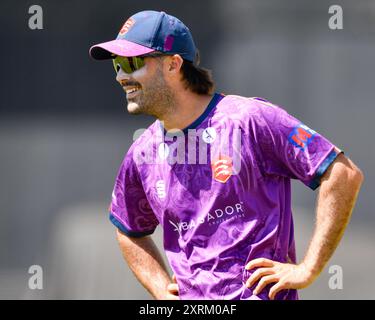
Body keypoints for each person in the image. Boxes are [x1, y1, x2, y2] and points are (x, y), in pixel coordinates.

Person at [89, 10, 364, 300]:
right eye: (117, 65)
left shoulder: (251, 120)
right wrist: (160, 288)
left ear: (173, 64)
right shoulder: (141, 153)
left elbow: (343, 174)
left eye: (132, 63)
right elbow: (129, 229)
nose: (121, 76)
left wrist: (308, 269)